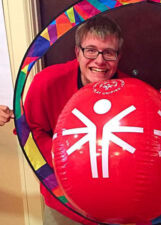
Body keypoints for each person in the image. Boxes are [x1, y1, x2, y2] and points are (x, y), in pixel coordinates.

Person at [24, 16, 129, 225]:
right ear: (77, 52)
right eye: (90, 50)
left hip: (114, 206)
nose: (99, 60)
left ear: (118, 57)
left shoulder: (132, 92)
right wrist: (60, 159)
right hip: (64, 204)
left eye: (108, 52)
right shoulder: (47, 82)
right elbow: (30, 129)